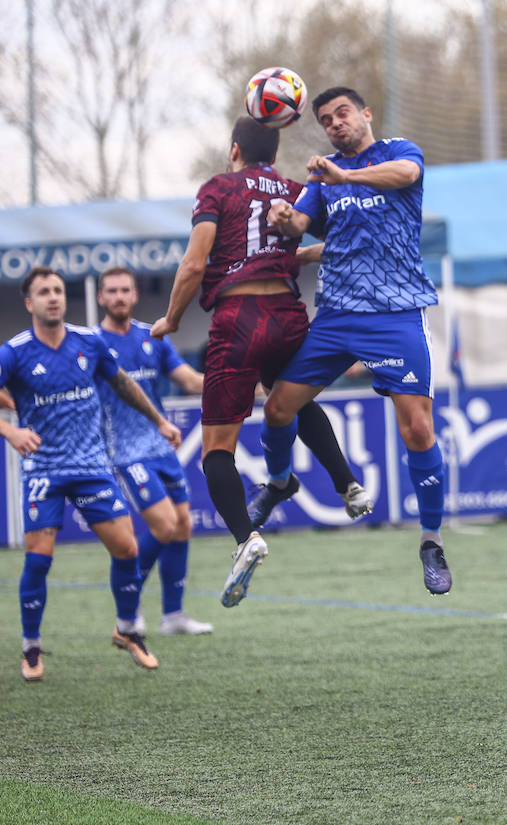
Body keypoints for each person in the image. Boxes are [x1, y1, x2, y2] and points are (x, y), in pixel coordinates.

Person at [152, 117, 373, 609]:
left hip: (240, 317)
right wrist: (304, 256)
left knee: (217, 448)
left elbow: (193, 264)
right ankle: (348, 484)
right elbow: (340, 237)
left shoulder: (217, 188)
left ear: (234, 149)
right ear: (273, 153)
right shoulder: (294, 190)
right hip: (290, 314)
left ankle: (245, 539)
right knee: (287, 399)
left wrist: (171, 319)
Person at [263, 86, 451, 595]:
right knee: (278, 408)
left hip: (395, 314)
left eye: (342, 113)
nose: (335, 123)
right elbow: (300, 222)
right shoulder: (323, 177)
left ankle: (431, 541)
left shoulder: (397, 153)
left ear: (365, 114)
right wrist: (288, 224)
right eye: (325, 119)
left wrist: (344, 175)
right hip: (337, 317)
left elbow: (406, 177)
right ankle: (279, 482)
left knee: (417, 429)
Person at [1, 267, 183, 680]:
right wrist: (11, 430)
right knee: (39, 560)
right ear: (29, 303)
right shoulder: (14, 352)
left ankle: (127, 630)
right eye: (44, 292)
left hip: (91, 468)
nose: (53, 298)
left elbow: (123, 385)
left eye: (58, 291)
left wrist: (158, 421)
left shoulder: (89, 342)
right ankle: (31, 647)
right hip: (44, 470)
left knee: (128, 550)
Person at [95, 267, 213, 636]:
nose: (118, 296)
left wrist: (243, 386)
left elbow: (191, 381)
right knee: (164, 524)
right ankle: (131, 604)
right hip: (125, 451)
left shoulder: (153, 336)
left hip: (162, 446)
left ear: (135, 295)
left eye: (125, 290)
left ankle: (173, 616)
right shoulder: (92, 343)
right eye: (111, 291)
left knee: (183, 527)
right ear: (101, 298)